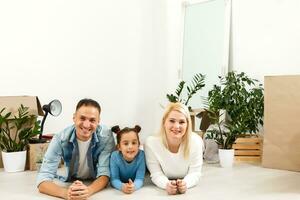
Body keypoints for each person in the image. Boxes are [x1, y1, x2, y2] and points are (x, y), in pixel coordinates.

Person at [36, 98, 115, 199]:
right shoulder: (60, 138)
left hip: (93, 182)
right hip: (70, 181)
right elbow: (43, 179)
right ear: (74, 118)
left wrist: (88, 191)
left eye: (92, 120)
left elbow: (105, 173)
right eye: (82, 118)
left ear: (98, 121)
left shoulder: (107, 136)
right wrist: (67, 194)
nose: (86, 125)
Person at [144, 102, 203, 195]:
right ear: (164, 122)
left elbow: (195, 173)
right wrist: (166, 184)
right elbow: (156, 174)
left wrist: (186, 184)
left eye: (182, 122)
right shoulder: (151, 143)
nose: (176, 126)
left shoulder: (196, 141)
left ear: (187, 124)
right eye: (172, 121)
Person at [109, 125, 146, 194]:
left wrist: (133, 187)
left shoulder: (141, 155)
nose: (130, 146)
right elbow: (114, 179)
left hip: (133, 183)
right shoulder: (114, 157)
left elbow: (139, 178)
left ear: (139, 145)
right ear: (119, 147)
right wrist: (121, 186)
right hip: (121, 183)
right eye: (126, 144)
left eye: (134, 143)